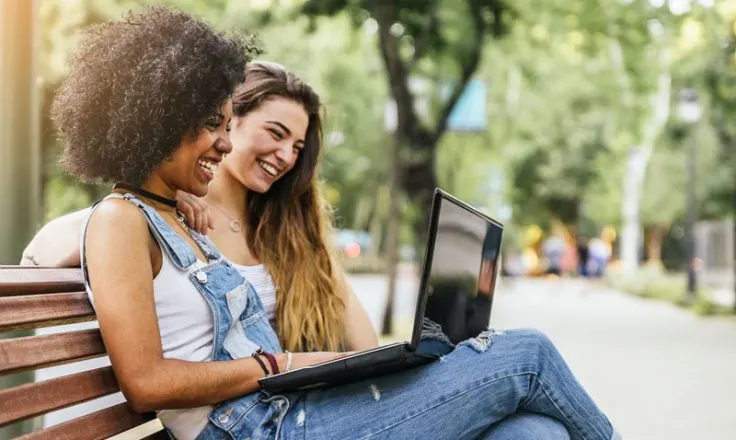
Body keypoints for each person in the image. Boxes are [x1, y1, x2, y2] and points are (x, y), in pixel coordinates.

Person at [24, 8, 620, 440]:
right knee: (529, 355)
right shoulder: (120, 221)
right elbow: (146, 384)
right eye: (215, 125)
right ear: (159, 115)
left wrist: (371, 361)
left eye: (229, 126)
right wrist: (278, 364)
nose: (225, 143)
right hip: (262, 428)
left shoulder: (178, 221)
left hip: (290, 413)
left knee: (534, 434)